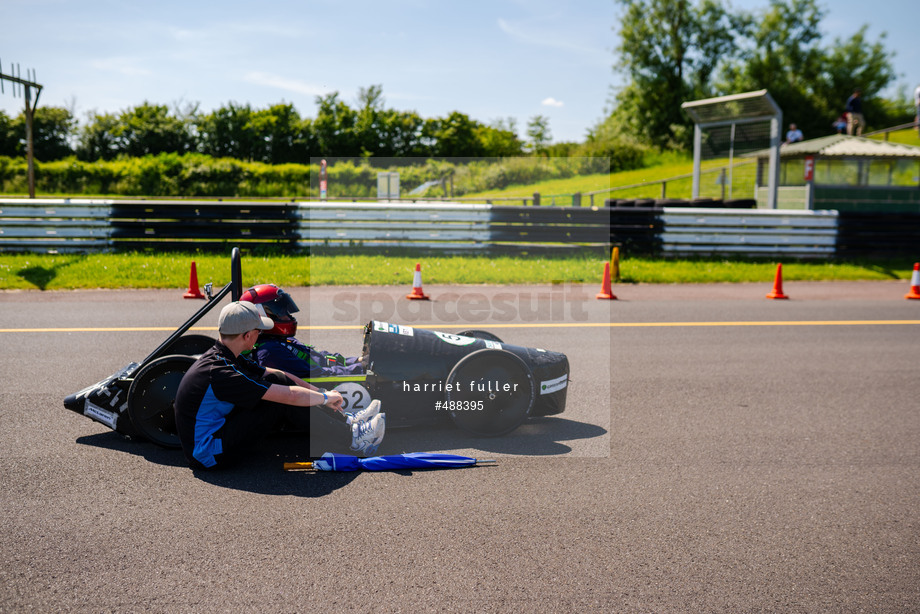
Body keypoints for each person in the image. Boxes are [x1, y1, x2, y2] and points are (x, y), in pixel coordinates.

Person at [174, 301, 385, 470]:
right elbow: (290, 396)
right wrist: (325, 399)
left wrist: (321, 393)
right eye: (259, 331)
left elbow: (279, 374)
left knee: (279, 382)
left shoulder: (224, 355)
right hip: (208, 454)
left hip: (216, 435)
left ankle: (346, 422)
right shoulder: (221, 373)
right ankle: (354, 439)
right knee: (279, 401)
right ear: (247, 336)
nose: (260, 335)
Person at [240, 284, 365, 378]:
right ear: (262, 315)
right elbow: (318, 375)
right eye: (282, 312)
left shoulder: (282, 341)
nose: (288, 316)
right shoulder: (270, 353)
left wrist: (358, 361)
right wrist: (362, 369)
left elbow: (320, 358)